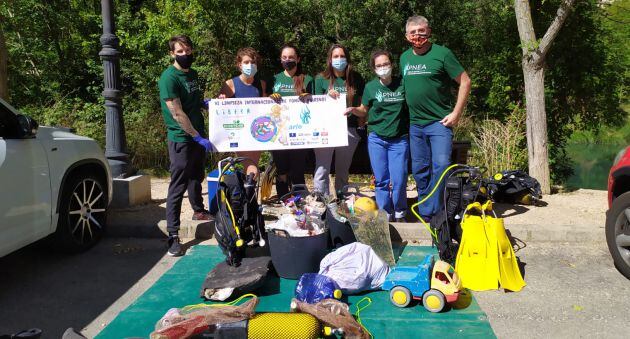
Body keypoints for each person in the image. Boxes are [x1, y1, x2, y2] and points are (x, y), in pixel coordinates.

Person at [401, 15, 471, 221]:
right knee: (420, 169)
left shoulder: (442, 54)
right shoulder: (404, 57)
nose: (417, 36)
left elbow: (465, 82)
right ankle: (425, 211)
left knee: (441, 166)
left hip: (439, 123)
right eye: (413, 32)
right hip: (415, 125)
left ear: (429, 31)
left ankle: (438, 210)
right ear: (406, 36)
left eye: (421, 31)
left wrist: (456, 113)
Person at [158, 35, 213, 257]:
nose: (185, 54)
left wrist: (206, 104)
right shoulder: (168, 78)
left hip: (197, 134)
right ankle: (173, 234)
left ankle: (198, 211)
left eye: (187, 50)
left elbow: (193, 100)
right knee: (178, 185)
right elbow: (177, 112)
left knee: (196, 176)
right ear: (172, 53)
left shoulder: (193, 74)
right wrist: (196, 136)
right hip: (182, 138)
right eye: (180, 51)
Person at [346, 50, 409, 222]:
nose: (383, 68)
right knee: (381, 180)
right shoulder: (371, 87)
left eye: (386, 64)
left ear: (391, 65)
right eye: (379, 65)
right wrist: (353, 109)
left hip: (399, 139)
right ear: (374, 69)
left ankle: (400, 212)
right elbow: (364, 110)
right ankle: (385, 214)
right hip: (377, 139)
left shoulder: (402, 84)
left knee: (400, 179)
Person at [313, 44, 364, 196]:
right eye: (335, 56)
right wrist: (326, 97)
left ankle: (342, 200)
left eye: (342, 56)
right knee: (322, 169)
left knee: (343, 170)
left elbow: (362, 104)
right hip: (326, 130)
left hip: (349, 129)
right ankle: (321, 200)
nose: (339, 59)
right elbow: (315, 107)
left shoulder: (357, 78)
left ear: (347, 59)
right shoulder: (321, 79)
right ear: (330, 59)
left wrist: (361, 127)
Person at [269, 44, 314, 198]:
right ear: (281, 60)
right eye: (285, 57)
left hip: (300, 131)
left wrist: (309, 97)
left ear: (298, 59)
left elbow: (317, 103)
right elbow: (262, 101)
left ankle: (299, 201)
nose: (288, 60)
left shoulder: (307, 79)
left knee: (297, 168)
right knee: (281, 168)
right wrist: (269, 98)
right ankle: (284, 199)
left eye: (291, 57)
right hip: (279, 131)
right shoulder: (274, 79)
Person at [218, 47, 267, 182]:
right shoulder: (230, 84)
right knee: (251, 167)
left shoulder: (261, 84)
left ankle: (249, 200)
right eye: (246, 62)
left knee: (253, 167)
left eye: (252, 62)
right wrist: (221, 100)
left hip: (257, 131)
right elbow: (220, 110)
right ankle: (247, 200)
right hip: (239, 132)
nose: (249, 65)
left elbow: (266, 108)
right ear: (239, 65)